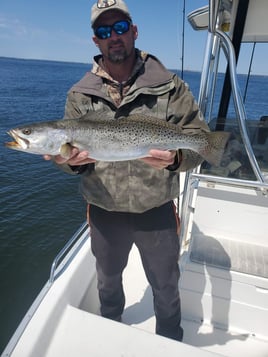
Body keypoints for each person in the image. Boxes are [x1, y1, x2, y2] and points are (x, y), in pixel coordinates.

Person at [45, 0, 210, 342]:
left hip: (157, 210)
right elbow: (73, 158)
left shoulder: (170, 86)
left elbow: (200, 142)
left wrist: (177, 160)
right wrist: (69, 164)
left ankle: (169, 339)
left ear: (134, 31)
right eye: (103, 31)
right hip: (104, 212)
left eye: (120, 28)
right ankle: (111, 334)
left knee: (166, 284)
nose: (113, 37)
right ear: (96, 41)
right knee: (107, 282)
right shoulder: (79, 93)